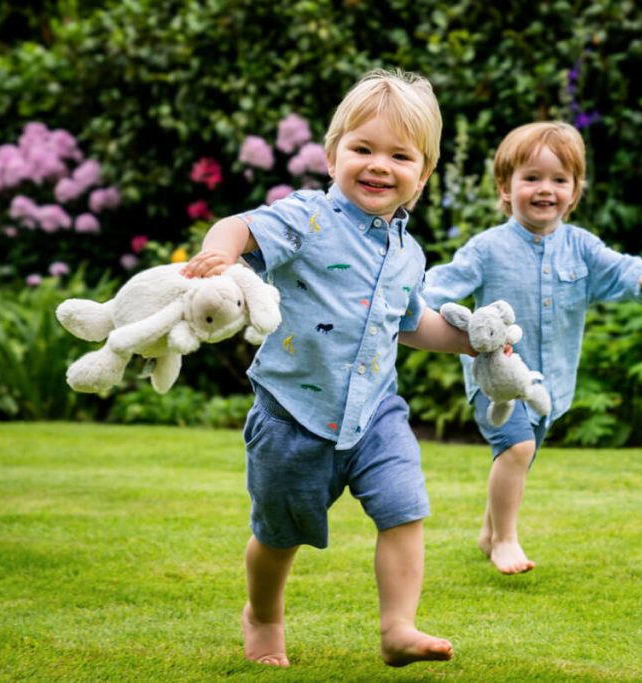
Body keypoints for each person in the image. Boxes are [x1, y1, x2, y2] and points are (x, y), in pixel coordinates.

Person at [182, 69, 472, 668]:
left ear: (422, 175)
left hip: (376, 414)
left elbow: (412, 323)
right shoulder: (307, 216)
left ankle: (398, 627)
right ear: (332, 153)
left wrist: (473, 345)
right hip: (293, 415)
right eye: (362, 149)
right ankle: (262, 615)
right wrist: (223, 253)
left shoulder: (408, 252)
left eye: (400, 155)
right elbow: (241, 227)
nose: (378, 165)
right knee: (278, 536)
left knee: (404, 508)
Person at [423, 121, 642, 575]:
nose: (546, 190)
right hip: (496, 381)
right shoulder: (486, 249)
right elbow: (439, 285)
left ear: (575, 191)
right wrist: (412, 305)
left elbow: (621, 269)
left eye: (559, 180)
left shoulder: (581, 248)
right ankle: (504, 541)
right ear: (505, 186)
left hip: (550, 383)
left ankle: (488, 531)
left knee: (521, 455)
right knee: (516, 448)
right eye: (532, 178)